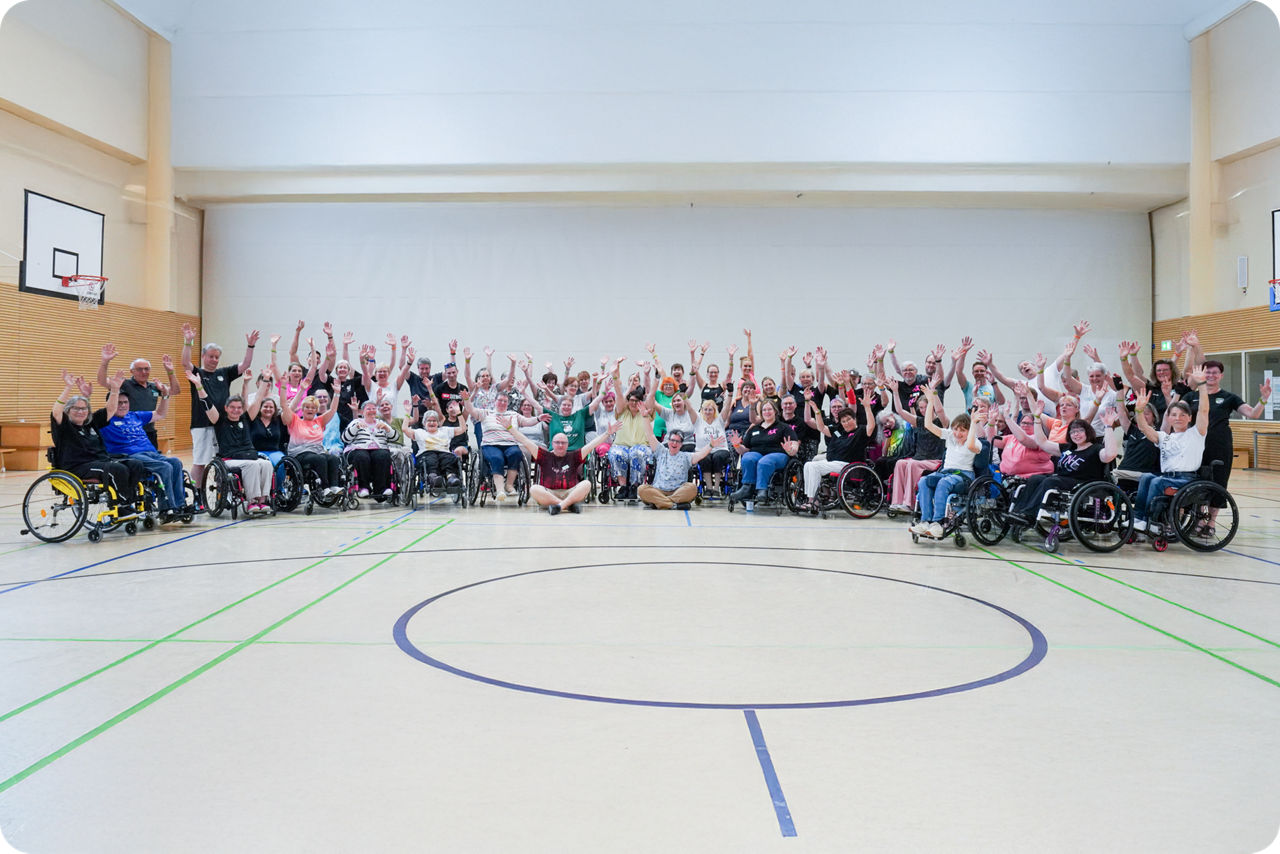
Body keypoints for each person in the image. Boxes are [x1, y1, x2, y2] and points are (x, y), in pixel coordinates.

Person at [1002, 401, 1121, 532]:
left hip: (1082, 483)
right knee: (1035, 479)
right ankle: (1019, 513)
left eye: (1080, 431)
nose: (1076, 434)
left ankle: (1029, 515)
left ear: (1088, 432)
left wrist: (1108, 427)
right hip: (1063, 480)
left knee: (1050, 481)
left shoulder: (1095, 449)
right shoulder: (1067, 448)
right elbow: (1042, 442)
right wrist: (1037, 419)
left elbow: (1110, 454)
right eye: (1073, 432)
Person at [1185, 359, 1271, 527]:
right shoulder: (1191, 396)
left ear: (1221, 375)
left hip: (1220, 447)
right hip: (1195, 446)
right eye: (1207, 372)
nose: (1210, 375)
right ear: (1201, 374)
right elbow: (1174, 412)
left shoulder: (1228, 397)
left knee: (1218, 482)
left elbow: (1252, 414)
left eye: (1214, 372)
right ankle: (1198, 520)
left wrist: (1263, 399)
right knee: (1195, 482)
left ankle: (1210, 523)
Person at [50, 370, 147, 512]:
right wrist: (68, 387)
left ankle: (129, 500)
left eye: (84, 409)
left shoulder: (90, 423)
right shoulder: (64, 426)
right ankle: (122, 505)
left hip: (100, 461)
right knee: (117, 469)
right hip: (77, 467)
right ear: (68, 410)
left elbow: (111, 409)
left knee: (136, 464)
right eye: (76, 408)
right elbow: (56, 411)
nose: (81, 411)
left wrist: (114, 390)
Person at [1129, 367, 1211, 532]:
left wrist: (1202, 384)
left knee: (1158, 481)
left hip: (1186, 479)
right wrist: (1138, 410)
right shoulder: (1164, 436)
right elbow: (1144, 428)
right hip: (1167, 477)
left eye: (1182, 415)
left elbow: (1203, 410)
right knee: (1146, 477)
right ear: (1169, 418)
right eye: (1174, 415)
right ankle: (1139, 518)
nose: (1178, 418)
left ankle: (1149, 521)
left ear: (1189, 418)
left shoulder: (1197, 433)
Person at [98, 371, 190, 518]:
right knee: (165, 467)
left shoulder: (135, 415)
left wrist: (165, 396)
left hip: (151, 453)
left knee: (176, 462)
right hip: (129, 456)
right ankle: (167, 508)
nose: (122, 405)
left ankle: (181, 505)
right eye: (119, 402)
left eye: (125, 402)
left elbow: (160, 414)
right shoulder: (104, 420)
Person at [182, 323, 258, 493]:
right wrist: (188, 342)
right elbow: (185, 362)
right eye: (211, 356)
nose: (214, 360)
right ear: (203, 356)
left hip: (222, 424)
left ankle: (220, 494)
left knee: (221, 460)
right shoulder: (197, 374)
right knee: (200, 461)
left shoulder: (224, 373)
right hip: (202, 424)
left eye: (217, 357)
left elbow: (245, 364)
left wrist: (251, 345)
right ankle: (198, 496)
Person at [908, 386, 983, 540]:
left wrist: (974, 423)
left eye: (962, 430)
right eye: (956, 429)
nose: (957, 433)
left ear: (969, 431)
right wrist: (930, 402)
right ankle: (925, 520)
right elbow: (929, 425)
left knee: (943, 483)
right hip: (946, 473)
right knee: (924, 481)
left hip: (963, 477)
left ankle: (938, 523)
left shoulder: (975, 441)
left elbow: (970, 446)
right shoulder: (950, 436)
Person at [508, 418, 621, 514]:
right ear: (552, 444)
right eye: (557, 442)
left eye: (563, 443)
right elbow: (525, 441)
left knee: (587, 484)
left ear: (568, 445)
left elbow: (592, 444)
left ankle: (559, 506)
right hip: (549, 493)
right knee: (534, 489)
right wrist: (510, 428)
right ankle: (567, 505)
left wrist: (607, 433)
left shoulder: (575, 455)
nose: (560, 445)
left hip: (570, 492)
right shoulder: (543, 455)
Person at [201, 383, 275, 515]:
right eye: (232, 407)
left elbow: (258, 399)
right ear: (226, 408)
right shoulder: (220, 421)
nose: (236, 410)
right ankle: (251, 501)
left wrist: (264, 381)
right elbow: (207, 405)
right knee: (252, 465)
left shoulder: (246, 419)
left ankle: (262, 500)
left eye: (239, 408)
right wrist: (198, 386)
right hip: (229, 459)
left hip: (249, 456)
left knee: (266, 464)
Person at [798, 390, 875, 509]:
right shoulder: (840, 432)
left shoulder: (860, 431)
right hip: (834, 462)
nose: (846, 423)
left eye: (849, 419)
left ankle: (812, 502)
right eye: (843, 421)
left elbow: (871, 426)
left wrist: (867, 407)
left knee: (814, 467)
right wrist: (817, 412)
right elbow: (821, 427)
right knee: (808, 464)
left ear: (854, 419)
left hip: (847, 465)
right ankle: (812, 498)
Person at [96, 343, 179, 450]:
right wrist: (105, 362)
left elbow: (175, 390)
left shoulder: (154, 386)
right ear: (132, 371)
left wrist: (170, 372)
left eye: (146, 369)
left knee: (156, 459)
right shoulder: (124, 384)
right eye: (139, 369)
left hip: (149, 432)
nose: (144, 372)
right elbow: (101, 381)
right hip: (127, 432)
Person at [465, 390, 540, 500]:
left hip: (510, 444)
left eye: (505, 401)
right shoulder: (486, 413)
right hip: (491, 444)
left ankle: (509, 485)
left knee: (516, 453)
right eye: (500, 400)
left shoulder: (513, 415)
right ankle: (500, 490)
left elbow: (527, 422)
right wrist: (467, 399)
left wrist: (538, 418)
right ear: (495, 401)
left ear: (508, 403)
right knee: (497, 458)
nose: (502, 403)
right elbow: (470, 410)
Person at [280, 372, 344, 498]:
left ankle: (334, 486)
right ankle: (324, 488)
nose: (310, 410)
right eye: (307, 407)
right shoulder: (294, 421)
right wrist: (286, 387)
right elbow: (284, 406)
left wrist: (337, 393)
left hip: (317, 452)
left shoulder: (318, 421)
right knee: (320, 458)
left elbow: (333, 410)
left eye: (313, 408)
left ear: (316, 410)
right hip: (299, 454)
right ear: (302, 409)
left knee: (333, 458)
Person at [729, 399, 799, 503]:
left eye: (769, 409)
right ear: (761, 413)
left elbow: (794, 447)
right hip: (757, 454)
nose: (767, 412)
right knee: (748, 458)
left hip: (778, 455)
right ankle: (747, 487)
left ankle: (762, 489)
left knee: (765, 461)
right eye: (764, 410)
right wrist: (736, 445)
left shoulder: (784, 428)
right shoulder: (754, 429)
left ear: (775, 411)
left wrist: (790, 449)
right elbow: (744, 450)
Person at [639, 427, 723, 510]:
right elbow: (650, 435)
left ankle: (659, 503)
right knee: (641, 489)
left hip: (678, 492)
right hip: (658, 490)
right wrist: (645, 416)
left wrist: (711, 445)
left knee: (692, 488)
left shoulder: (686, 456)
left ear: (681, 444)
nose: (674, 443)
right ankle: (673, 505)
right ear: (668, 442)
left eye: (677, 441)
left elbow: (700, 454)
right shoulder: (661, 451)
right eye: (672, 440)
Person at [343, 400, 395, 498]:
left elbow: (395, 438)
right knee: (362, 456)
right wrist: (356, 427)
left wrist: (388, 429)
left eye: (373, 408)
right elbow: (345, 438)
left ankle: (381, 488)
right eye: (368, 409)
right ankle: (363, 487)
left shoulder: (381, 423)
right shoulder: (356, 422)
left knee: (383, 455)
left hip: (378, 449)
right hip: (358, 448)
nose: (371, 411)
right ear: (362, 412)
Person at [412, 408, 467, 490]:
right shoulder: (419, 432)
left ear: (438, 423)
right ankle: (433, 478)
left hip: (444, 453)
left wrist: (459, 413)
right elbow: (404, 429)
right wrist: (407, 413)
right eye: (429, 421)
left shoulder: (445, 430)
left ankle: (451, 478)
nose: (431, 423)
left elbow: (463, 428)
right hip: (426, 453)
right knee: (431, 459)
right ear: (424, 423)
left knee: (449, 458)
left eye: (434, 421)